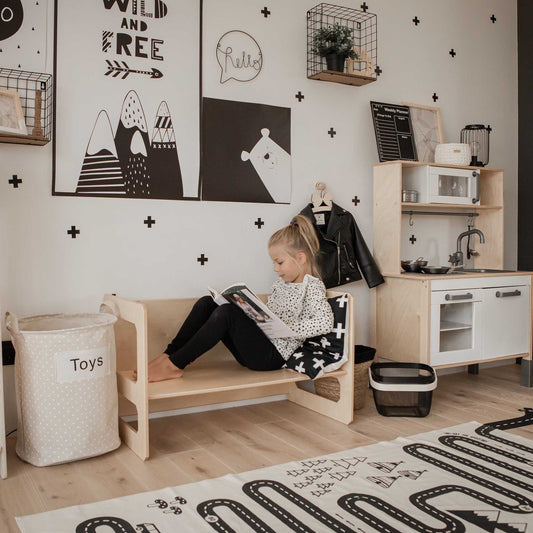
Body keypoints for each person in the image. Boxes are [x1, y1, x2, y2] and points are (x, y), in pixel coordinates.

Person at [142, 214, 334, 382]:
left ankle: (175, 365)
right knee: (207, 303)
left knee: (227, 313)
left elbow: (326, 322)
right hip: (257, 345)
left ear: (300, 258)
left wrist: (289, 328)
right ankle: (169, 355)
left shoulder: (313, 287)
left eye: (279, 262)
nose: (275, 269)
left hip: (271, 357)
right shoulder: (280, 285)